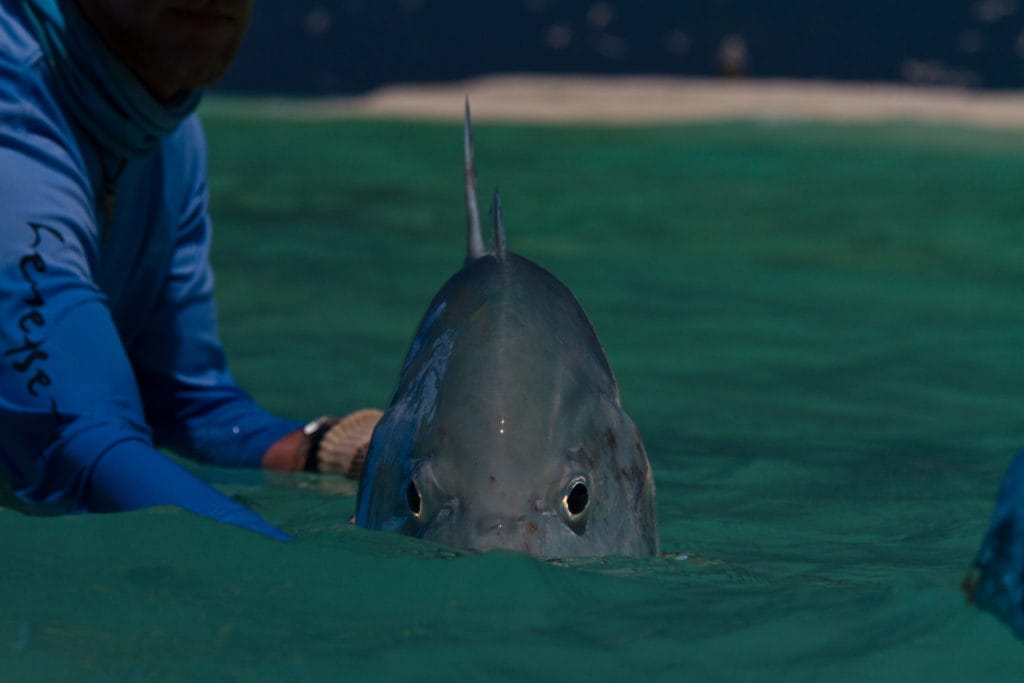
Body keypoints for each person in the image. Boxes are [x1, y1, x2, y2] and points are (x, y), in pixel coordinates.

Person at [0, 0, 380, 540]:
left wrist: (342, 449)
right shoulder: (12, 117)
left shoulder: (166, 137)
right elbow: (76, 446)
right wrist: (321, 593)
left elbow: (188, 405)